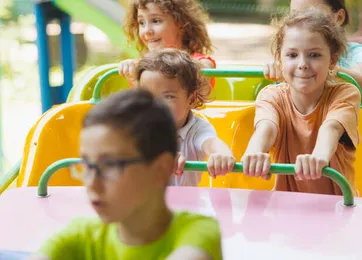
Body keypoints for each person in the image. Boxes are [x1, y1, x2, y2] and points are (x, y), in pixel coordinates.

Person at [30, 89, 223, 260]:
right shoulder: (79, 234)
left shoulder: (199, 232)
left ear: (161, 170)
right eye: (87, 165)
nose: (91, 183)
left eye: (110, 165)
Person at [242, 9, 361, 196]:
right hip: (286, 206)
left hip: (338, 206)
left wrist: (318, 157)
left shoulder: (345, 93)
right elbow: (267, 128)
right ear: (279, 59)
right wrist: (255, 152)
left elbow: (331, 128)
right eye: (292, 55)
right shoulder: (271, 96)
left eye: (314, 55)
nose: (303, 64)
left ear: (333, 60)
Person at [263, 0, 362, 99]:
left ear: (339, 17)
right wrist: (279, 69)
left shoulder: (356, 52)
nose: (304, 23)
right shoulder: (291, 57)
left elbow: (359, 81)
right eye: (296, 15)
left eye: (314, 15)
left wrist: (326, 67)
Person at [136, 49, 235, 186]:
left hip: (185, 204)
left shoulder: (197, 129)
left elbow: (211, 143)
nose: (156, 105)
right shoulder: (137, 126)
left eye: (168, 97)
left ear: (191, 99)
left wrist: (222, 154)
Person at [119, 0, 216, 90]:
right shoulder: (142, 66)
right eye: (141, 23)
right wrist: (132, 73)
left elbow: (204, 70)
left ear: (181, 24)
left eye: (156, 21)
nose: (147, 31)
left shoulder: (200, 62)